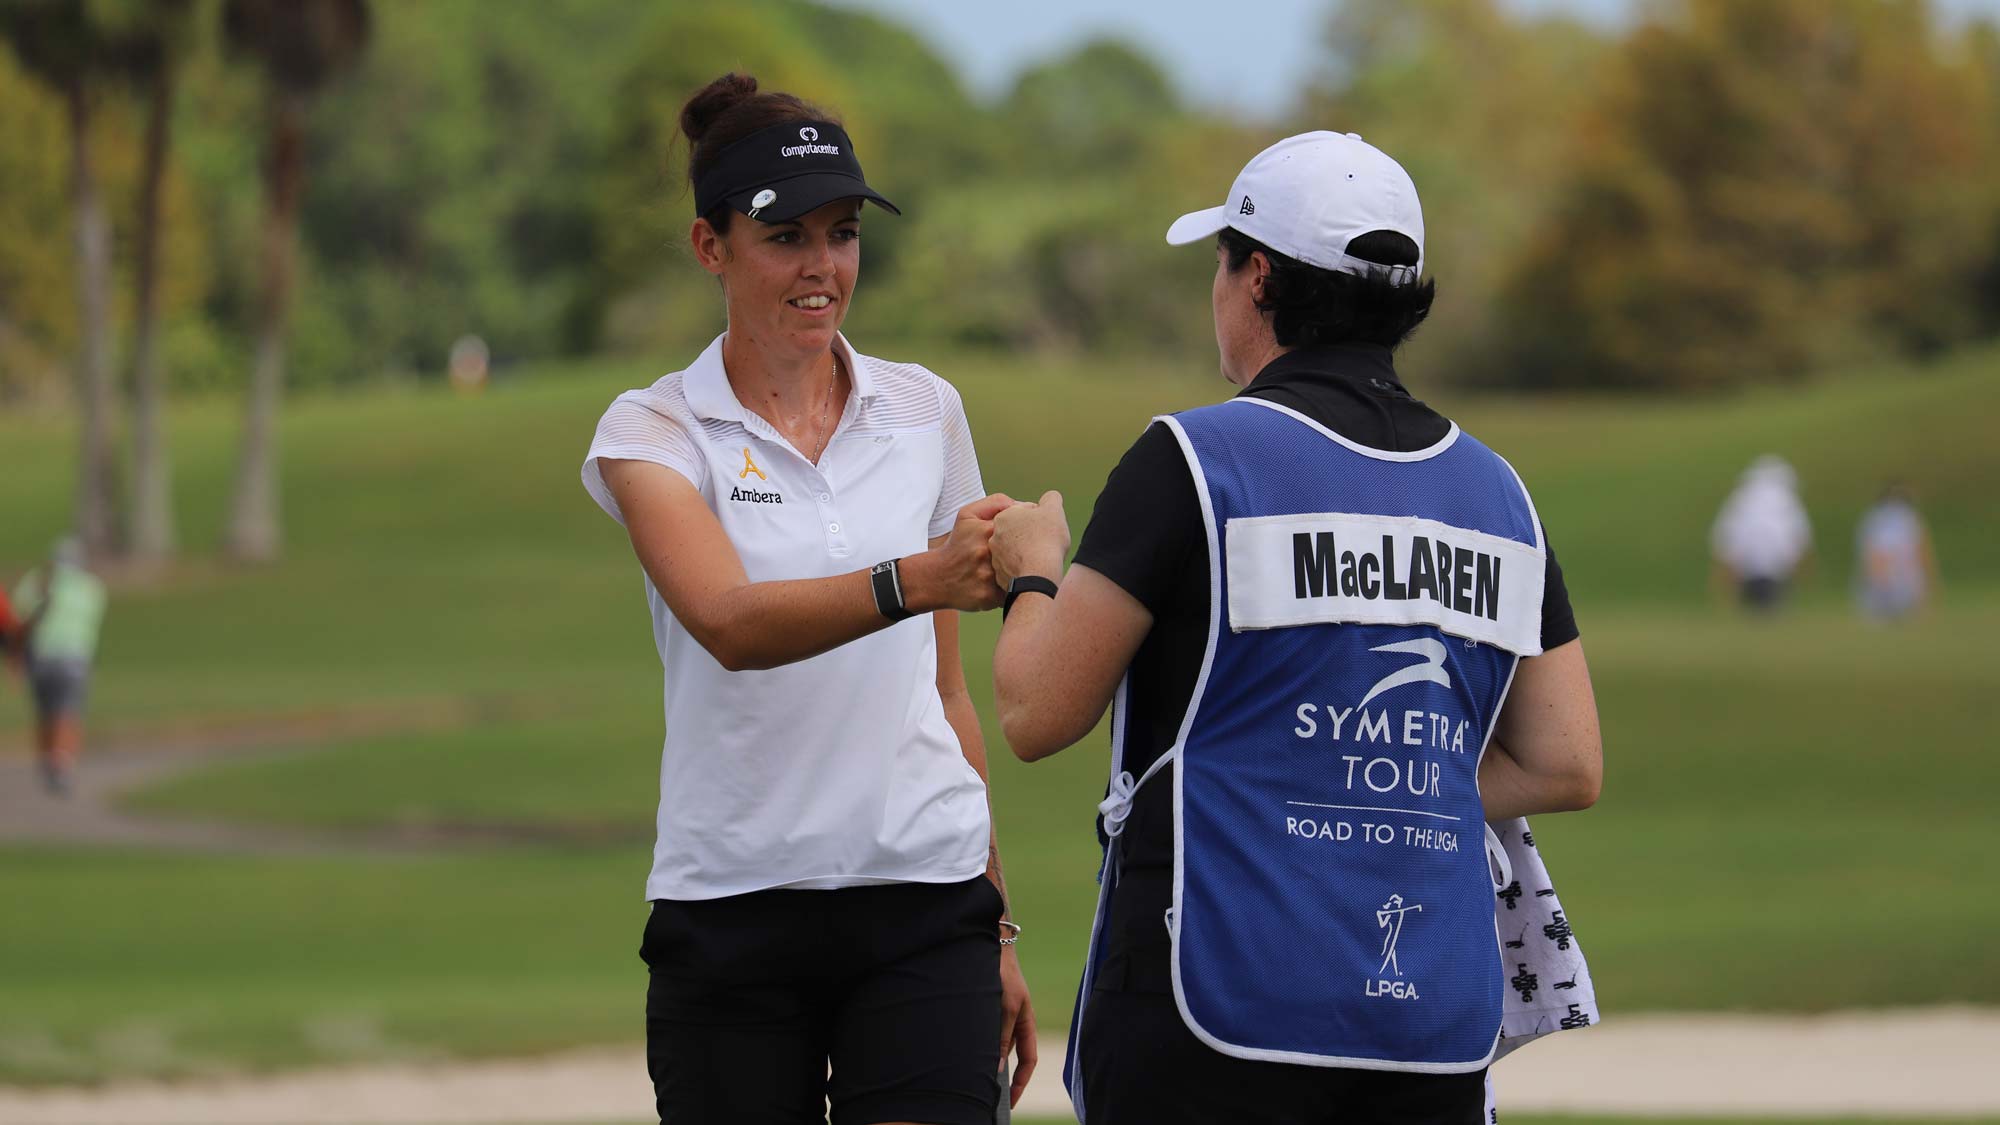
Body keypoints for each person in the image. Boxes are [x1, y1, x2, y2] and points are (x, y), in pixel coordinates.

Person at [986, 132, 1603, 1124]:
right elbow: (1566, 760)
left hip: (1209, 1013)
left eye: (1221, 262)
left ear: (1258, 276)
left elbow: (1032, 711)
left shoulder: (1195, 456)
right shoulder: (1496, 490)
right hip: (1426, 1035)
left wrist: (1030, 571)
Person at [578, 73, 1034, 1125]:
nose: (822, 266)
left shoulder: (925, 409)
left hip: (926, 902)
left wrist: (1000, 927)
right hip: (731, 911)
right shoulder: (651, 432)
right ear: (711, 247)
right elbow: (729, 624)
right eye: (785, 237)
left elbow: (945, 698)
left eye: (841, 234)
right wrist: (917, 579)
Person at [11, 537, 108, 795]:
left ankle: (47, 761)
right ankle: (60, 763)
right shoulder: (91, 587)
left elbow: (19, 619)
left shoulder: (38, 580)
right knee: (67, 711)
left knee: (45, 712)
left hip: (40, 657)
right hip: (73, 658)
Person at [1710, 454, 1812, 612]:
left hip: (1749, 563)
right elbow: (1796, 532)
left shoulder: (1741, 498)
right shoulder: (1786, 500)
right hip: (1776, 564)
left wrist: (1727, 558)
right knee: (1769, 603)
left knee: (1756, 605)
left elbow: (1727, 530)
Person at [1854, 481, 1937, 620]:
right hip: (1900, 584)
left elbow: (1874, 555)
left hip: (1893, 584)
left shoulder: (1873, 518)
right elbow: (1921, 552)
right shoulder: (1907, 518)